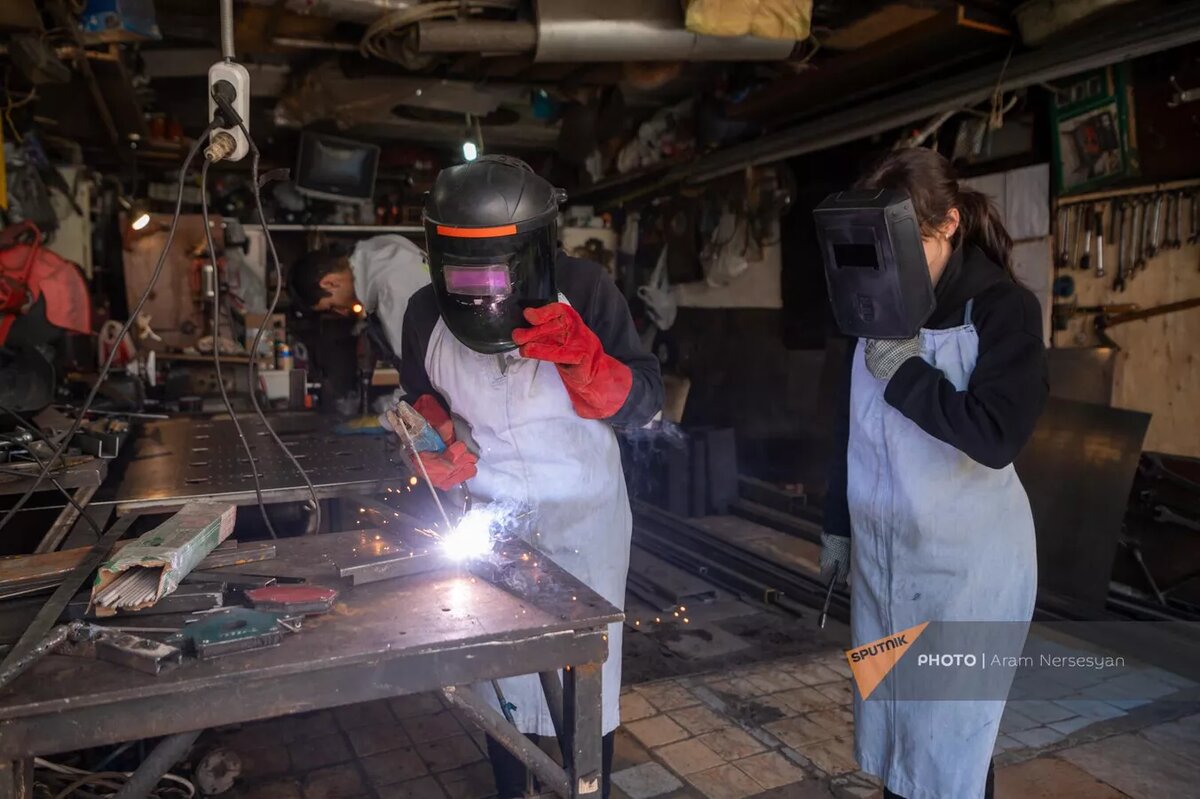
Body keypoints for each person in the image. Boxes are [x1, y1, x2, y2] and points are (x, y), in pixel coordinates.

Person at [399, 155, 662, 798]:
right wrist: (434, 439)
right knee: (499, 678)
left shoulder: (587, 289)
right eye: (463, 275)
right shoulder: (423, 312)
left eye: (493, 273)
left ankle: (587, 786)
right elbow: (419, 399)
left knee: (584, 678)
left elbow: (647, 403)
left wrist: (594, 370)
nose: (480, 293)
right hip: (488, 520)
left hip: (585, 519)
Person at [821, 148, 1047, 799]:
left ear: (949, 224)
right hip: (887, 567)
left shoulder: (1003, 310)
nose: (891, 267)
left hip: (965, 573)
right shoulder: (870, 307)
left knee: (951, 752)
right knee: (900, 743)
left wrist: (908, 374)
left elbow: (996, 435)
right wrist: (838, 525)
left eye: (908, 246)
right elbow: (850, 428)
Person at [288, 234, 428, 364]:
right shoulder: (379, 246)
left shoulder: (390, 294)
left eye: (332, 306)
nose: (342, 312)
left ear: (330, 283)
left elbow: (420, 364)